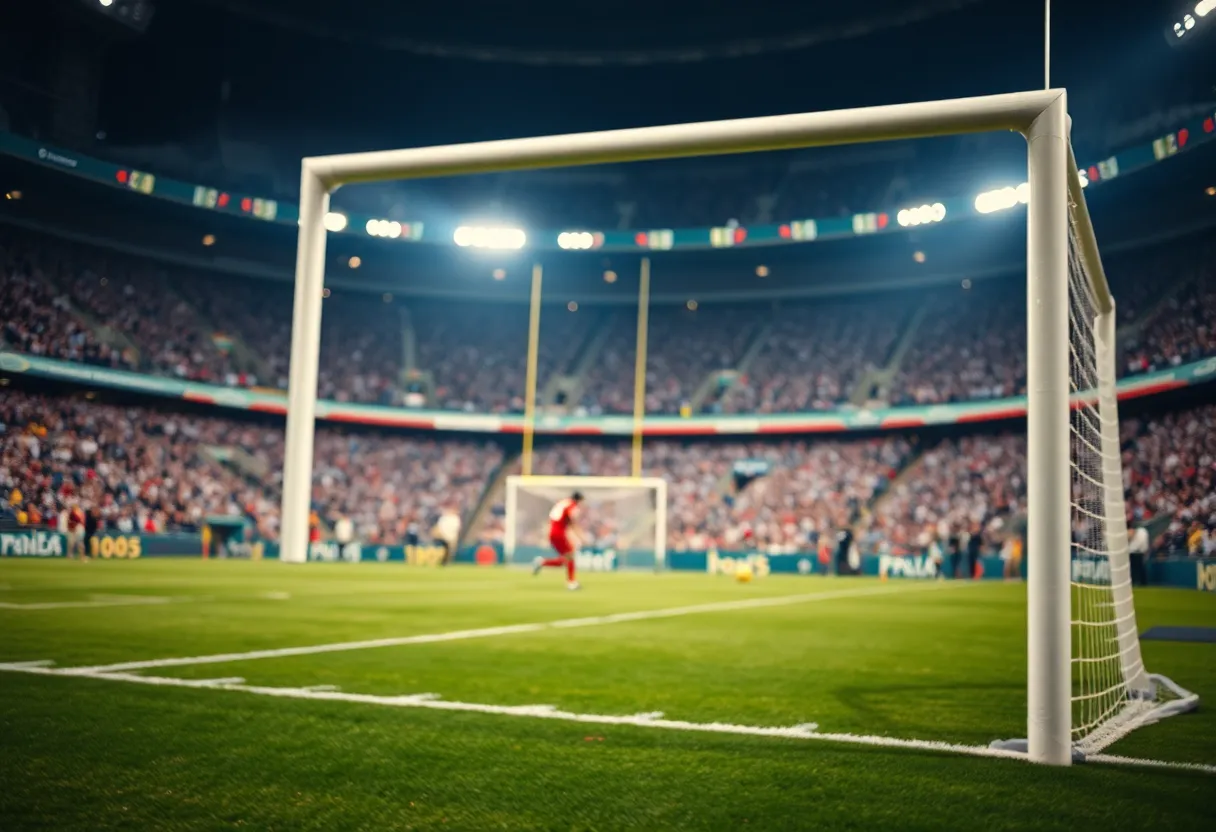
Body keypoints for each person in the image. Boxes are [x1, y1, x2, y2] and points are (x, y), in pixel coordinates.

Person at [533, 492, 583, 590]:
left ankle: (542, 562)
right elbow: (571, 521)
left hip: (553, 532)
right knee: (570, 556)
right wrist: (579, 535)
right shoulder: (571, 505)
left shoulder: (562, 503)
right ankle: (571, 583)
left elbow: (555, 518)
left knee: (566, 560)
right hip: (559, 533)